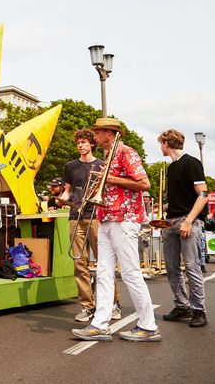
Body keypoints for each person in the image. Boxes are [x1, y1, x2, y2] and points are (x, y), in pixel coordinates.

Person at [72, 118, 159, 342]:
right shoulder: (109, 155)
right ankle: (100, 324)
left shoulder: (126, 152)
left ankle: (149, 326)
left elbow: (144, 184)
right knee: (103, 272)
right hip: (106, 217)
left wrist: (110, 178)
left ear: (109, 133)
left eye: (98, 132)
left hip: (125, 218)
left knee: (130, 273)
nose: (95, 136)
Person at [59, 129, 122, 323]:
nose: (80, 145)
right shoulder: (70, 166)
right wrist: (62, 199)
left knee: (104, 263)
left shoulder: (101, 164)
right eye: (78, 142)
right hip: (75, 216)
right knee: (79, 264)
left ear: (92, 144)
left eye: (84, 142)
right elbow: (67, 191)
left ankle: (114, 303)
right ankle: (88, 306)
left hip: (96, 217)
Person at [158, 129, 209, 328]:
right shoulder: (172, 167)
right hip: (171, 221)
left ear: (166, 143)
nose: (160, 147)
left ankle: (199, 310)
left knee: (192, 266)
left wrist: (188, 221)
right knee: (172, 268)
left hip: (188, 221)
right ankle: (182, 306)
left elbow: (203, 195)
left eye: (161, 144)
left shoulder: (191, 162)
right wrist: (165, 206)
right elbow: (182, 196)